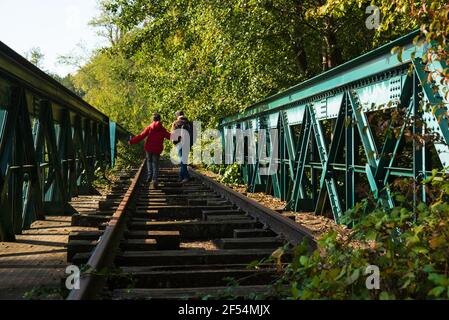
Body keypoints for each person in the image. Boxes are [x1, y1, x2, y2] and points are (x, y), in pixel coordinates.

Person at [128, 113, 171, 188]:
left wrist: (131, 141)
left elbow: (141, 136)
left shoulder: (150, 127)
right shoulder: (162, 129)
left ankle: (149, 176)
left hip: (149, 148)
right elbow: (169, 136)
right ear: (160, 119)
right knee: (155, 164)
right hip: (157, 149)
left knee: (149, 161)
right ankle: (155, 180)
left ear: (153, 119)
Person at [171, 111, 194, 183]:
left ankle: (186, 177)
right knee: (184, 160)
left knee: (182, 160)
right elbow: (194, 134)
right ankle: (181, 177)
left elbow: (174, 134)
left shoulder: (176, 123)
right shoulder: (189, 123)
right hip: (188, 143)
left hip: (180, 144)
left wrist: (174, 142)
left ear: (177, 116)